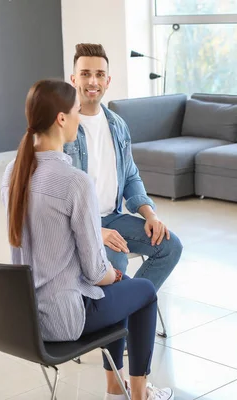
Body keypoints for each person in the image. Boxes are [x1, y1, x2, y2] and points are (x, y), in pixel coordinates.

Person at [2, 79, 173, 400]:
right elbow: (97, 272)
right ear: (61, 119)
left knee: (116, 290)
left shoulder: (13, 171)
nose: (80, 118)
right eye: (77, 112)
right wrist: (115, 275)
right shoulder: (74, 181)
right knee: (142, 291)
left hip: (22, 319)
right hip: (62, 321)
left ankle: (116, 388)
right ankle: (138, 394)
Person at [64, 43, 182, 291]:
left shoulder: (117, 125)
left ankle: (132, 306)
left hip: (114, 217)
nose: (92, 81)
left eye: (99, 74)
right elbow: (57, 196)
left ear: (108, 80)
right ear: (74, 79)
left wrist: (150, 214)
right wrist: (95, 230)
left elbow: (130, 175)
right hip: (77, 224)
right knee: (114, 260)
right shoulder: (63, 127)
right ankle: (116, 322)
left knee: (170, 246)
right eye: (85, 74)